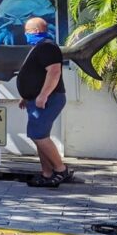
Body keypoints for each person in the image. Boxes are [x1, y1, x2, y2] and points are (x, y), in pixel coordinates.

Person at [17, 17, 74, 187]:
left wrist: (43, 95)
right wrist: (27, 95)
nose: (25, 35)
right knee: (39, 136)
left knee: (38, 136)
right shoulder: (39, 47)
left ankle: (60, 169)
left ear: (35, 31)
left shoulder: (47, 47)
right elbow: (37, 74)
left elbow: (54, 72)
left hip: (48, 99)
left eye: (27, 31)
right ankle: (47, 174)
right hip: (35, 100)